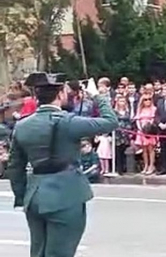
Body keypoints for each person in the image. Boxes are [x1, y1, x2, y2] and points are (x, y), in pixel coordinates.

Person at [6, 73, 118, 257]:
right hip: (65, 195)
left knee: (38, 252)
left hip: (34, 196)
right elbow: (110, 121)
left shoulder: (23, 125)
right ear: (59, 95)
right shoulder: (69, 122)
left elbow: (15, 167)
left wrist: (22, 195)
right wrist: (98, 96)